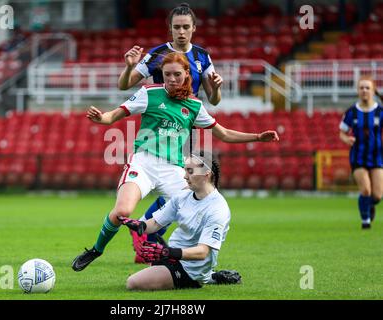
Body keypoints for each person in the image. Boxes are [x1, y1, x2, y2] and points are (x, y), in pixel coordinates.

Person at [71, 52, 279, 272]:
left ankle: (209, 270)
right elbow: (112, 116)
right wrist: (100, 118)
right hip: (143, 163)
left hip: (174, 170)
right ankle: (96, 250)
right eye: (167, 74)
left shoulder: (194, 105)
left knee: (198, 215)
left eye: (177, 74)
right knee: (121, 212)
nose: (171, 79)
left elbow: (224, 133)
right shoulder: (149, 93)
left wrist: (257, 137)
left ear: (187, 74)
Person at [118, 2, 223, 259]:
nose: (181, 31)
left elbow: (214, 99)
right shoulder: (157, 54)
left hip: (186, 125)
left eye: (186, 26)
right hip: (160, 128)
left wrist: (217, 87)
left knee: (186, 187)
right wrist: (131, 66)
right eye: (177, 27)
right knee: (186, 188)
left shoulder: (202, 57)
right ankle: (148, 231)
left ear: (194, 28)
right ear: (170, 29)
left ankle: (147, 231)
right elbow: (126, 84)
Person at [119, 152, 241, 290]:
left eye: (190, 171)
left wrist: (167, 252)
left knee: (132, 283)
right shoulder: (182, 196)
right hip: (172, 256)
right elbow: (154, 224)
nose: (184, 176)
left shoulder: (218, 209)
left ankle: (203, 279)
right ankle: (212, 277)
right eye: (185, 170)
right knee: (139, 278)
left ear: (206, 174)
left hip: (191, 269)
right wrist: (139, 225)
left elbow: (202, 252)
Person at [339, 75, 383, 229]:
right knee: (365, 190)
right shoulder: (352, 112)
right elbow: (342, 132)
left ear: (373, 90)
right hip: (358, 156)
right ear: (358, 90)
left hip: (377, 156)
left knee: (377, 195)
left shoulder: (380, 111)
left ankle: (368, 205)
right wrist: (347, 139)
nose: (364, 90)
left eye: (367, 87)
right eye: (361, 87)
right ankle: (366, 221)